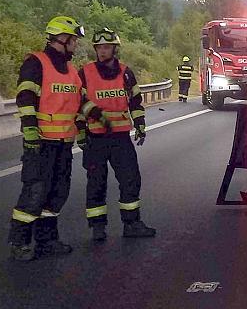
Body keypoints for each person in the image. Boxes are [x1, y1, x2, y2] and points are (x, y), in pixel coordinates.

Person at [9, 16, 89, 261]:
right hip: (41, 143)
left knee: (58, 192)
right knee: (35, 192)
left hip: (63, 143)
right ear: (62, 39)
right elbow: (25, 98)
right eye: (73, 40)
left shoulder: (72, 72)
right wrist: (30, 131)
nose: (76, 44)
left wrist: (85, 129)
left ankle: (47, 240)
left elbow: (80, 103)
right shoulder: (36, 63)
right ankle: (20, 242)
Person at [78, 27, 156, 241]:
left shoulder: (125, 72)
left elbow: (136, 102)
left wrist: (140, 124)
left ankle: (131, 224)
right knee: (96, 182)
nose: (103, 51)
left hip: (121, 137)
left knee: (130, 179)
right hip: (96, 138)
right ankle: (97, 227)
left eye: (107, 47)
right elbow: (78, 103)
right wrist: (81, 132)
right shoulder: (85, 73)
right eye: (99, 48)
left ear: (114, 49)